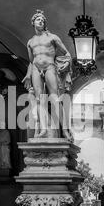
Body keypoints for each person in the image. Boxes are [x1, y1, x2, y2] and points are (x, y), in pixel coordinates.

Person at [22, 10, 73, 140]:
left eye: (43, 20)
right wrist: (28, 75)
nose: (41, 21)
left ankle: (65, 130)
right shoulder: (30, 42)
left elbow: (67, 54)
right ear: (33, 23)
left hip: (49, 66)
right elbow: (31, 61)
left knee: (55, 98)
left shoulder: (52, 37)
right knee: (39, 100)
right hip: (35, 69)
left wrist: (67, 63)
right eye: (38, 19)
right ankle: (44, 129)